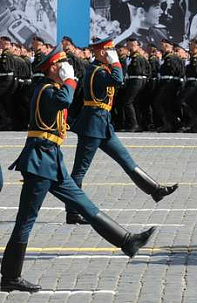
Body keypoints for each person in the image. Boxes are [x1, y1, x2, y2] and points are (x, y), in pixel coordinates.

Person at [2, 45, 154, 293]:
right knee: (26, 221)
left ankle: (128, 241)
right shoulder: (46, 90)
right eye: (61, 64)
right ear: (52, 68)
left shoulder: (55, 88)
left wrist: (69, 81)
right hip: (39, 163)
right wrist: (70, 80)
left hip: (52, 160)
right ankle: (10, 276)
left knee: (84, 204)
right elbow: (65, 100)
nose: (65, 67)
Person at [65, 38, 178, 225]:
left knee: (126, 159)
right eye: (108, 51)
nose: (112, 54)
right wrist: (116, 62)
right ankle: (73, 212)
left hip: (103, 124)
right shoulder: (97, 71)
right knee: (79, 172)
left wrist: (114, 63)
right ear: (101, 52)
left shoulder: (101, 69)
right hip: (92, 126)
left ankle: (155, 190)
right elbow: (118, 79)